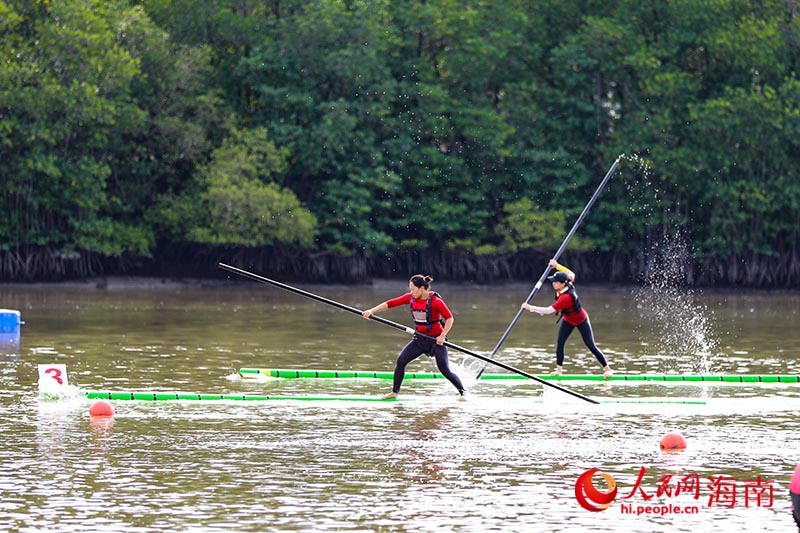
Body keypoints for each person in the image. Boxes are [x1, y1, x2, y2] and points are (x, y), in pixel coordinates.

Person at [362, 275, 466, 400]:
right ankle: (394, 392)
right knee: (401, 361)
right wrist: (371, 311)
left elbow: (450, 318)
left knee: (444, 369)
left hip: (436, 341)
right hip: (420, 340)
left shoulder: (436, 302)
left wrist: (442, 335)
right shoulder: (410, 298)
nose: (411, 292)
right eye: (410, 290)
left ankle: (463, 393)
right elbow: (390, 303)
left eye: (413, 289)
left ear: (422, 288)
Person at [521, 259, 613, 378]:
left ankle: (608, 369)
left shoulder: (565, 297)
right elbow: (571, 273)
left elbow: (549, 311)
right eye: (553, 281)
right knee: (560, 343)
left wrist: (530, 308)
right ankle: (559, 370)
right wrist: (556, 266)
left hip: (581, 319)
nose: (553, 284)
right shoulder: (568, 280)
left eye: (555, 282)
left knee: (590, 345)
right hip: (568, 319)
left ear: (562, 283)